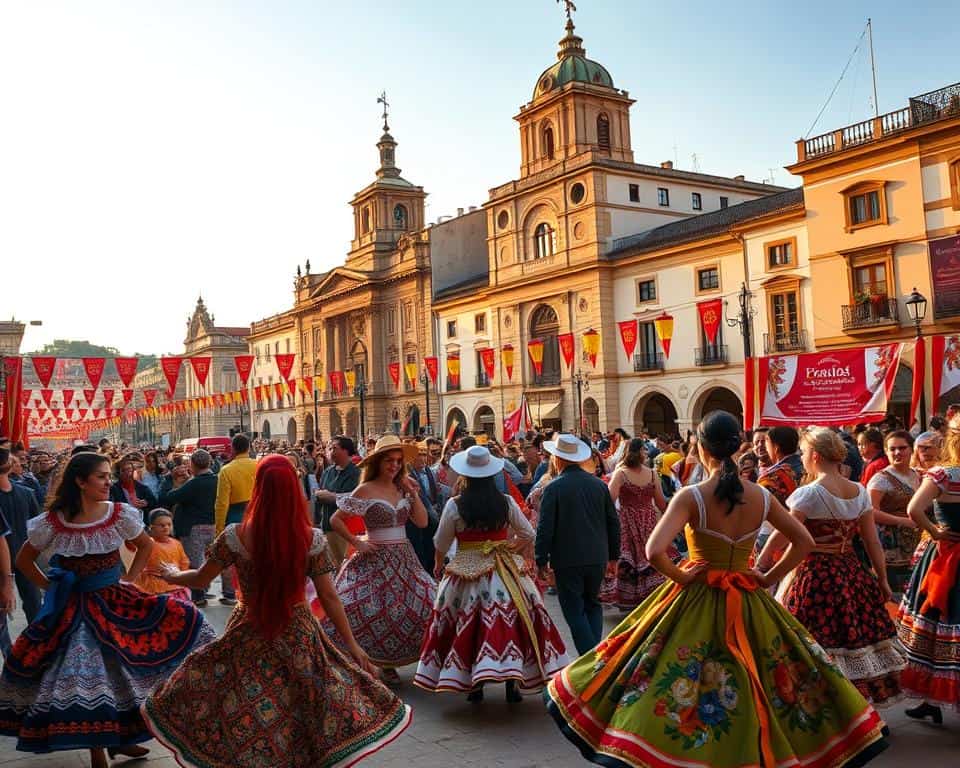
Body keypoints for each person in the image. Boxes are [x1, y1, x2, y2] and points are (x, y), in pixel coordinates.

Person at [545, 411, 889, 768]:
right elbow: (801, 542)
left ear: (700, 447)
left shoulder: (692, 496)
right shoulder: (761, 496)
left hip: (697, 591)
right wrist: (767, 578)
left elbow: (654, 551)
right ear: (738, 447)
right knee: (770, 669)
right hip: (747, 592)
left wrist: (683, 578)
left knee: (661, 665)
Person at [142, 454, 411, 766]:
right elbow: (329, 596)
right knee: (300, 708)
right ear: (294, 490)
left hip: (248, 630)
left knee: (245, 705)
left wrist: (173, 575)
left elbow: (202, 577)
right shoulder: (311, 539)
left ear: (259, 489)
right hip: (299, 634)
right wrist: (353, 646)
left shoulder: (234, 535)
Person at [0, 452, 214, 768]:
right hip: (74, 607)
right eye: (101, 476)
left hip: (114, 598)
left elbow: (145, 545)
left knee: (124, 665)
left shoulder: (118, 514)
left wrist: (129, 579)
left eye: (107, 475)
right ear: (80, 481)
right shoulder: (55, 520)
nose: (107, 481)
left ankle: (120, 740)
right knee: (87, 671)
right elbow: (23, 560)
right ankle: (97, 748)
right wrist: (51, 586)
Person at [761, 428, 905, 706]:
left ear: (814, 455)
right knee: (855, 635)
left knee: (815, 638)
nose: (802, 458)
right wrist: (882, 578)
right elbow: (872, 540)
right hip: (852, 572)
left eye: (803, 453)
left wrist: (764, 558)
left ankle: (825, 706)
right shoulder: (859, 491)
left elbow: (784, 532)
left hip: (814, 576)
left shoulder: (809, 494)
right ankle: (858, 706)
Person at [415, 445, 568, 700]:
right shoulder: (505, 502)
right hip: (504, 568)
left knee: (468, 623)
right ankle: (512, 682)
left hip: (466, 569)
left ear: (465, 475)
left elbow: (441, 542)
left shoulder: (455, 505)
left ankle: (475, 684)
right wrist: (508, 547)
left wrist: (438, 564)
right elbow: (528, 533)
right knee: (514, 619)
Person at [323, 435, 437, 685]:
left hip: (403, 556)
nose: (394, 465)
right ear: (378, 462)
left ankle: (397, 660)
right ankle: (377, 662)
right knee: (368, 606)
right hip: (374, 556)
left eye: (398, 461)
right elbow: (335, 520)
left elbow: (422, 522)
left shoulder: (404, 486)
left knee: (420, 603)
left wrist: (412, 493)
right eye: (389, 461)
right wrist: (358, 542)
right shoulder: (365, 489)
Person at [895, 431, 960, 725]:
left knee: (935, 626)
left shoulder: (943, 475)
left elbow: (914, 509)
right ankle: (931, 701)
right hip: (948, 559)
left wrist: (935, 532)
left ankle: (930, 698)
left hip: (945, 557)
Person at [535, 434, 620, 655]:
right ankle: (594, 655)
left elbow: (545, 528)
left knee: (574, 610)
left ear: (557, 459)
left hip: (568, 559)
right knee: (592, 604)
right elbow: (613, 523)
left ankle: (591, 659)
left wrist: (541, 560)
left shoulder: (553, 488)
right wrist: (613, 557)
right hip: (597, 556)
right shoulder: (598, 486)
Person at [600, 438, 674, 609]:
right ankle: (651, 595)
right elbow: (662, 503)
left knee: (629, 557)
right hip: (648, 520)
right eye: (645, 450)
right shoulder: (652, 473)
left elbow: (609, 499)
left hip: (627, 520)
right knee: (648, 556)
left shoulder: (621, 474)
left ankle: (629, 598)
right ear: (641, 452)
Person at [159, 449, 218, 604]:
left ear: (193, 464)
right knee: (207, 561)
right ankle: (204, 590)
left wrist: (173, 482)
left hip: (194, 528)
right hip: (212, 526)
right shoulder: (216, 479)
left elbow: (170, 497)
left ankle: (198, 596)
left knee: (194, 562)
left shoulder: (194, 483)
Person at [867, 430, 920, 593]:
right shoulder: (880, 479)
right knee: (896, 594)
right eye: (892, 449)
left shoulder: (918, 475)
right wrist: (903, 521)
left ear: (911, 449)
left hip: (916, 543)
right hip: (891, 548)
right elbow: (870, 512)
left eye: (902, 448)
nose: (897, 452)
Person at [214, 433, 257, 606]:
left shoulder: (227, 470)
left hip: (235, 516)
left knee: (233, 558)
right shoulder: (258, 465)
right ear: (249, 447)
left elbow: (222, 503)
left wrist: (219, 528)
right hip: (256, 514)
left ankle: (232, 593)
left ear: (233, 448)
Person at [0, 448, 42, 622]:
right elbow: (37, 526)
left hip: (15, 557)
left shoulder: (26, 492)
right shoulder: (26, 493)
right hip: (25, 555)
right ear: (10, 466)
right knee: (34, 603)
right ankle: (37, 642)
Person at [313, 435, 362, 566]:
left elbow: (354, 499)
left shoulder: (356, 473)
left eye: (334, 448)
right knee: (332, 566)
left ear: (346, 451)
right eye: (330, 448)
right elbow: (319, 493)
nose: (330, 452)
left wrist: (331, 496)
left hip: (346, 529)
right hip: (327, 527)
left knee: (346, 565)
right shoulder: (328, 471)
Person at [134, 508, 191, 601]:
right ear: (151, 527)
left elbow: (184, 563)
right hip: (153, 588)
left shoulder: (176, 543)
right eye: (162, 525)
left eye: (169, 525)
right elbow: (138, 568)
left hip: (177, 586)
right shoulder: (147, 544)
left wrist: (181, 578)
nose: (166, 528)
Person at [406, 443, 444, 574]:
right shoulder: (408, 476)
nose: (422, 458)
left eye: (424, 454)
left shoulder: (430, 472)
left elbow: (436, 491)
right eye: (419, 455)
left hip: (431, 517)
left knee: (430, 546)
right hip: (415, 519)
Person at [108, 454, 158, 523]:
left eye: (129, 470)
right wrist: (129, 507)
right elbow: (110, 509)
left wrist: (146, 503)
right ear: (118, 473)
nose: (128, 473)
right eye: (123, 470)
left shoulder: (142, 488)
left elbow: (154, 504)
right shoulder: (113, 489)